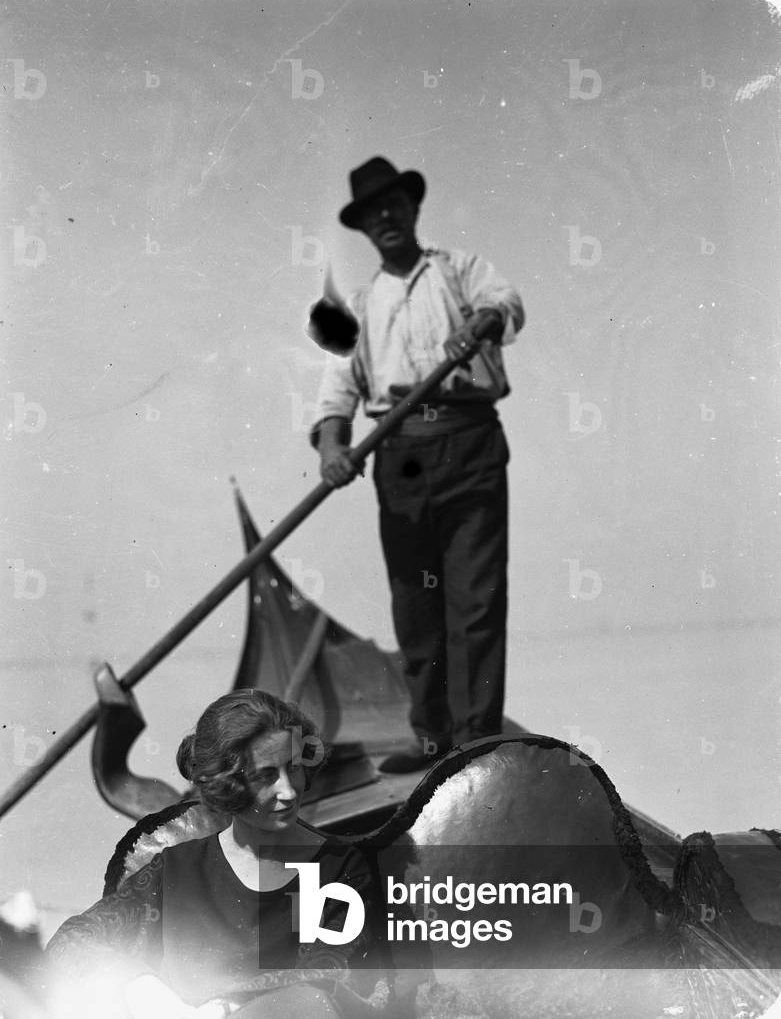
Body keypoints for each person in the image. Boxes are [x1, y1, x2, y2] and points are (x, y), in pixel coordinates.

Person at [309, 157, 525, 775]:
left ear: (412, 209)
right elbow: (336, 396)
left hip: (470, 443)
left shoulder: (459, 271)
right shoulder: (358, 305)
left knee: (475, 603)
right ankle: (432, 739)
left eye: (394, 205)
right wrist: (331, 449)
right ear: (365, 230)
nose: (386, 218)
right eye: (373, 213)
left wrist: (481, 323)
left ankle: (476, 744)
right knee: (416, 611)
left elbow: (505, 303)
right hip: (398, 458)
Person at [45, 690, 395, 1019]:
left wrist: (223, 1008)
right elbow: (73, 941)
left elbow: (327, 981)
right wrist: (145, 988)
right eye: (266, 776)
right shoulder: (175, 870)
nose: (288, 790)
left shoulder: (341, 869)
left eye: (294, 768)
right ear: (228, 784)